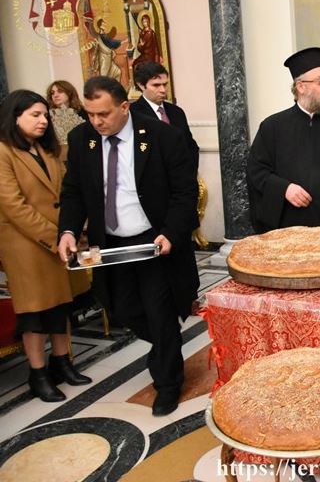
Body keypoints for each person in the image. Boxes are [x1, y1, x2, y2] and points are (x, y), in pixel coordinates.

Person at [57, 77, 199, 416]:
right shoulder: (81, 139)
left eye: (103, 114)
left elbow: (185, 192)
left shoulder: (162, 137)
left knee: (160, 312)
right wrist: (68, 230)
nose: (96, 121)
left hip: (154, 241)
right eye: (90, 114)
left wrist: (171, 233)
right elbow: (73, 191)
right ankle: (165, 345)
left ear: (124, 107)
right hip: (110, 245)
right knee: (122, 309)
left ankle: (167, 382)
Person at [0, 90, 91, 402]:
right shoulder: (3, 152)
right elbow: (14, 207)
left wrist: (71, 231)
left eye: (44, 115)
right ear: (15, 117)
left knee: (60, 306)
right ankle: (38, 374)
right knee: (35, 314)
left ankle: (62, 363)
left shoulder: (45, 148)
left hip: (57, 242)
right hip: (26, 246)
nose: (42, 121)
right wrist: (57, 237)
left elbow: (65, 193)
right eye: (34, 115)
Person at [246, 47, 320, 233]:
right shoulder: (272, 127)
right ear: (301, 86)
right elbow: (256, 172)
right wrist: (285, 189)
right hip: (286, 232)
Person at [130, 61, 199, 173]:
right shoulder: (133, 113)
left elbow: (190, 146)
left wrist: (189, 172)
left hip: (182, 177)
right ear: (141, 85)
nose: (163, 90)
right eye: (156, 85)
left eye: (165, 84)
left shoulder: (177, 112)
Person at [45, 80, 86, 148]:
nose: (55, 95)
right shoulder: (48, 115)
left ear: (69, 93)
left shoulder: (83, 112)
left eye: (60, 91)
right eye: (52, 93)